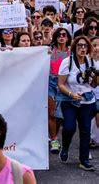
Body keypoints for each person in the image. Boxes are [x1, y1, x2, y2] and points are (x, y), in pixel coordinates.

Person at [57, 36, 97, 171]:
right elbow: (60, 84)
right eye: (80, 45)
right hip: (70, 101)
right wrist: (71, 94)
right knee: (69, 127)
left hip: (87, 102)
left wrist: (96, 77)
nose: (82, 48)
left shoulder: (91, 62)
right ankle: (66, 146)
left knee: (85, 131)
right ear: (74, 47)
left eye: (85, 46)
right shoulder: (67, 62)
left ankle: (84, 160)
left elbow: (94, 84)